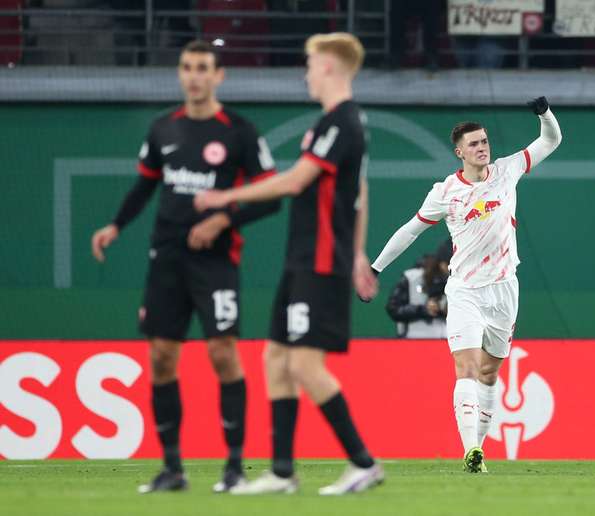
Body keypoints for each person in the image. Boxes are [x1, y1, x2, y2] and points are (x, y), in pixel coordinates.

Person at [194, 32, 383, 495]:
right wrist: (359, 252)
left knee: (304, 364)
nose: (305, 73)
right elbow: (359, 192)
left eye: (310, 64)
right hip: (303, 258)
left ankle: (363, 462)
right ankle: (282, 472)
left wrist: (226, 196)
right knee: (275, 357)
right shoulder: (334, 123)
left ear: (330, 68)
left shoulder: (341, 122)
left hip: (319, 260)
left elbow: (295, 181)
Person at [90, 40, 280, 493]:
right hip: (167, 259)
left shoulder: (239, 131)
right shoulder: (163, 129)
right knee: (161, 358)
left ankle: (234, 467)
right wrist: (115, 225)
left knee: (222, 353)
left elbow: (270, 195)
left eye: (202, 68)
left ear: (219, 76)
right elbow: (145, 186)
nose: (194, 76)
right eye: (187, 68)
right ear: (180, 74)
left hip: (216, 262)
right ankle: (172, 469)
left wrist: (221, 219)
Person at [366, 97, 562, 472]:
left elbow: (550, 140)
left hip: (504, 289)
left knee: (490, 373)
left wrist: (544, 114)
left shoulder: (508, 170)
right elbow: (410, 231)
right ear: (460, 152)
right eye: (474, 144)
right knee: (467, 368)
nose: (482, 148)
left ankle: (480, 452)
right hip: (465, 291)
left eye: (485, 141)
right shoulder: (445, 192)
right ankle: (471, 448)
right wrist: (375, 268)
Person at [386, 252, 448, 338]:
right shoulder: (411, 277)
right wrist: (423, 309)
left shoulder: (454, 279)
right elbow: (394, 309)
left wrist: (448, 310)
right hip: (413, 341)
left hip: (445, 341)